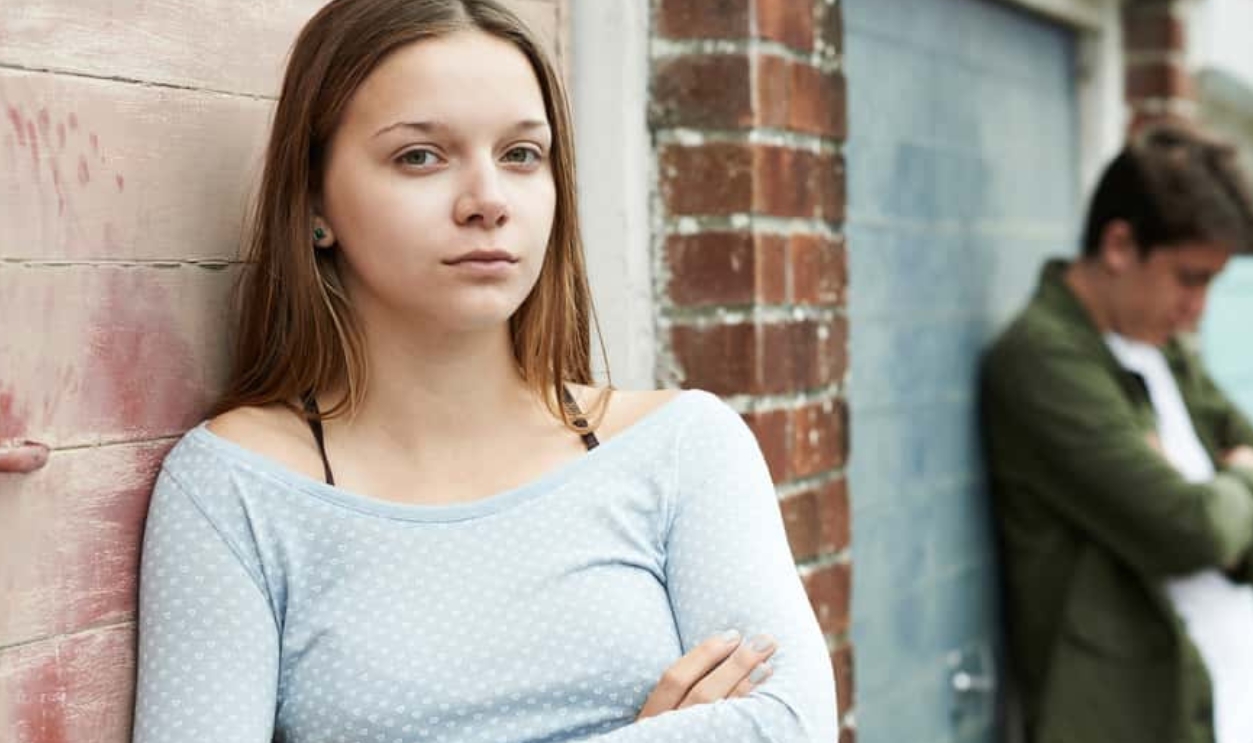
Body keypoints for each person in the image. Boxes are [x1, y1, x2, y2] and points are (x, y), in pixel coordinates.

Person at [129, 1, 837, 741]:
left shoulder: (685, 446)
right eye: (419, 156)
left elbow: (788, 723)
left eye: (521, 155)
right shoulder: (235, 489)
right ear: (313, 200)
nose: (488, 202)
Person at [982, 123, 1253, 743]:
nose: (1199, 308)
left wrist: (1218, 503)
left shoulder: (1162, 350)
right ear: (1120, 245)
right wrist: (1238, 475)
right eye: (1190, 278)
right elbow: (1189, 531)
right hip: (1139, 720)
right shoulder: (1042, 360)